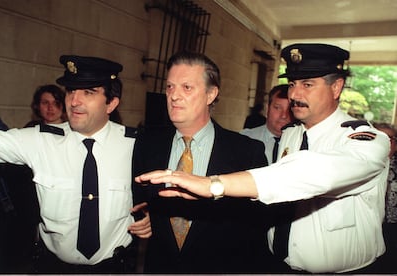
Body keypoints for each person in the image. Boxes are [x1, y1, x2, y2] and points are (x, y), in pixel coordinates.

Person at [135, 44, 390, 273]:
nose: (295, 94)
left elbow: (312, 174)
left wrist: (214, 184)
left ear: (336, 87)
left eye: (307, 84)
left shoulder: (366, 140)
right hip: (277, 266)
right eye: (292, 84)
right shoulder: (290, 135)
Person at [0, 55, 150, 273]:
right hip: (53, 267)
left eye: (88, 92)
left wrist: (153, 217)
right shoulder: (41, 140)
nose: (74, 101)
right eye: (71, 91)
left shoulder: (136, 145)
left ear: (111, 103)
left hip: (114, 267)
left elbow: (167, 191)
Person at [132, 51, 270, 273]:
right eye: (169, 87)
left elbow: (255, 229)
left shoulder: (247, 152)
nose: (173, 96)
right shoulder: (147, 145)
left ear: (211, 94)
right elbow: (140, 200)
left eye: (186, 87)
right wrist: (147, 216)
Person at [240, 84, 294, 163]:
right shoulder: (247, 138)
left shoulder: (301, 141)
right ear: (267, 108)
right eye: (277, 108)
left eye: (289, 110)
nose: (284, 115)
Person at [373, 122, 397, 272]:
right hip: (370, 227)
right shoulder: (361, 167)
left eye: (389, 138)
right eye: (378, 137)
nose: (385, 143)